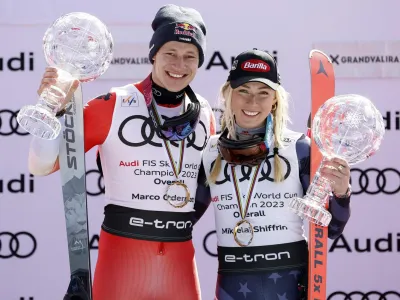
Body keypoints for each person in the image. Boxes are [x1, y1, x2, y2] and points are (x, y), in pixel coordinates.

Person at [28, 4, 216, 300]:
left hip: (180, 266)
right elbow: (42, 165)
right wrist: (54, 110)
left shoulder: (205, 113)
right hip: (122, 263)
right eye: (170, 53)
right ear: (154, 54)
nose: (179, 64)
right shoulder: (114, 103)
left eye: (190, 56)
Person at [201, 48, 352, 300]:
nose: (253, 103)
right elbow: (184, 215)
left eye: (263, 93)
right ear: (228, 94)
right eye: (243, 92)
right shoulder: (208, 150)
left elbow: (332, 229)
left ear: (274, 99)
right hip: (231, 285)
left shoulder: (299, 148)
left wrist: (341, 193)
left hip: (290, 283)